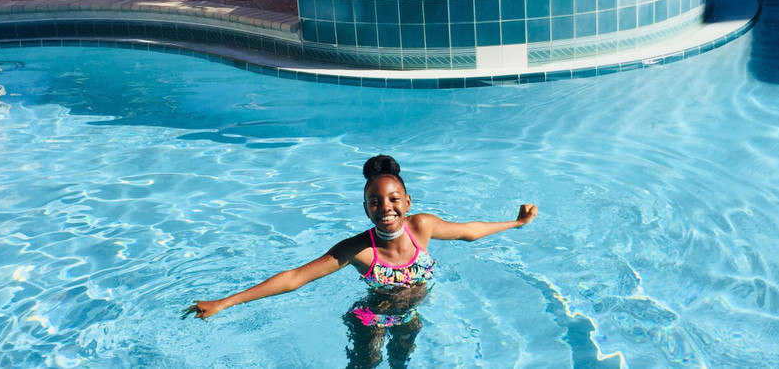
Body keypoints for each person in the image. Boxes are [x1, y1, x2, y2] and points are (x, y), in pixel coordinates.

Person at [183, 155, 537, 368]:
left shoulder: (422, 227)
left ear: (408, 202)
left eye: (393, 199)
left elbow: (469, 232)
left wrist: (516, 223)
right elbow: (294, 278)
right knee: (366, 366)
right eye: (375, 202)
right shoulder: (358, 249)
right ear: (365, 208)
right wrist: (224, 303)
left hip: (410, 315)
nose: (386, 208)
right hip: (371, 319)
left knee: (402, 360)